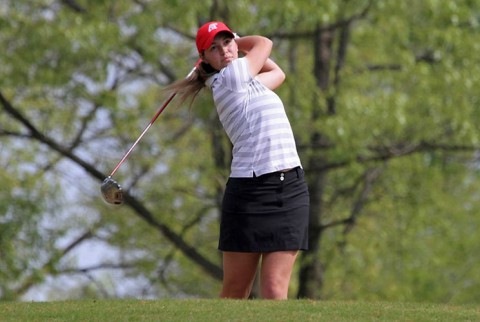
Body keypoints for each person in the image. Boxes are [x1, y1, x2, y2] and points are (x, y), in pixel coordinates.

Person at [167, 21, 310, 300]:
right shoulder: (229, 80)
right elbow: (264, 44)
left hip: (290, 188)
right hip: (249, 192)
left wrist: (234, 45)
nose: (224, 51)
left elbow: (277, 72)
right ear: (205, 59)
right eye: (214, 49)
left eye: (227, 43)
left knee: (274, 290)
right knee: (235, 291)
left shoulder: (248, 83)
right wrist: (239, 40)